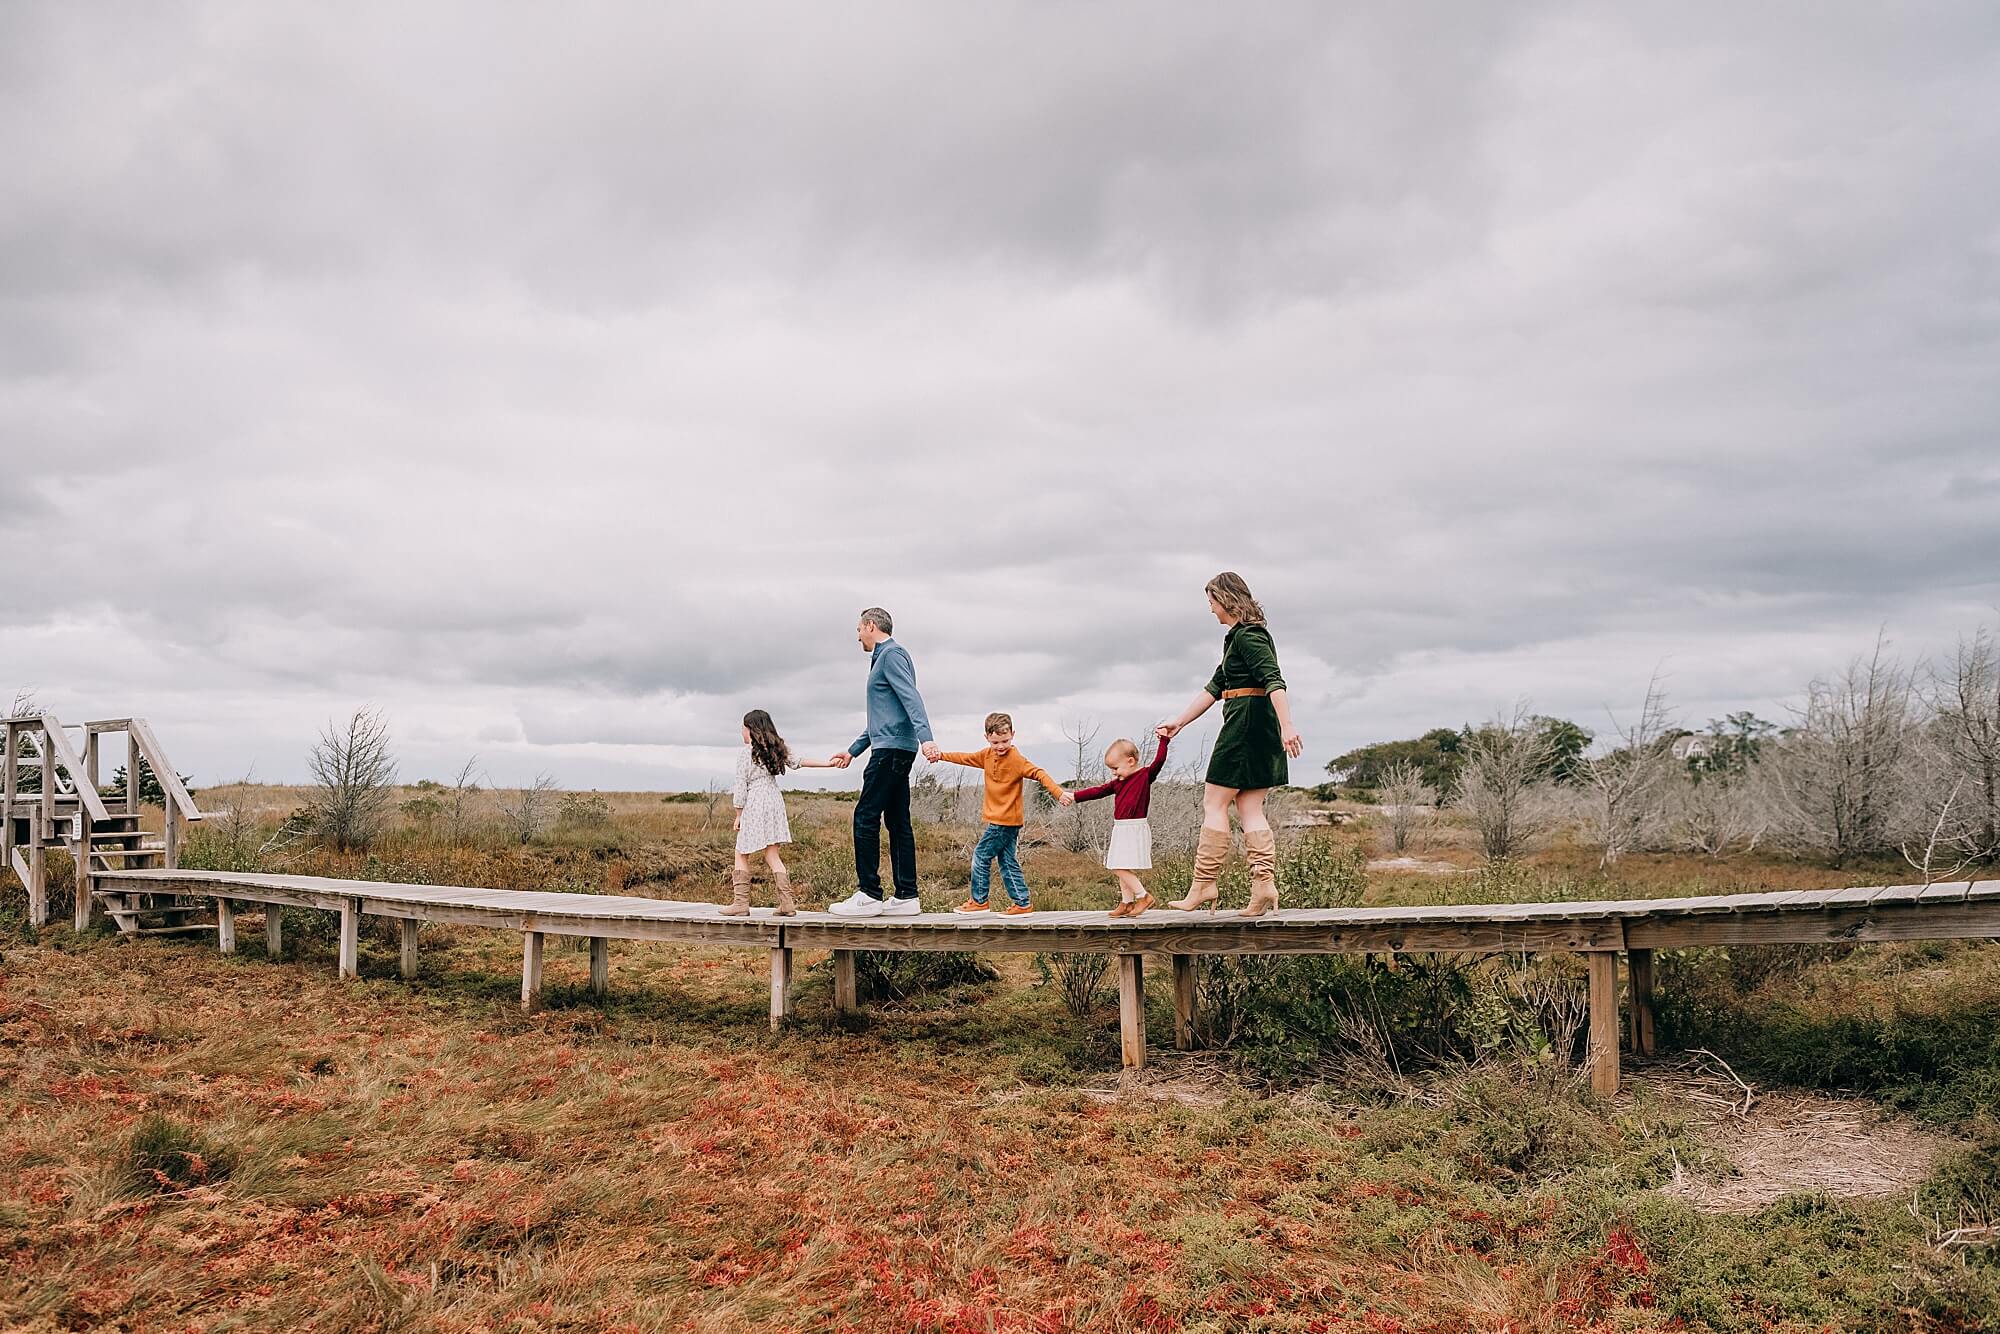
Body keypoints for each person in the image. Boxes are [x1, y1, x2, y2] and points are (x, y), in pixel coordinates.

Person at [1154, 572, 1304, 917]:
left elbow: (1274, 680)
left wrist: (1288, 725)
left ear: (1227, 600)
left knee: (1214, 800)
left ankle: (1205, 883)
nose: (1210, 610)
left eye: (1211, 602)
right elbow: (1215, 686)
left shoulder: (1249, 637)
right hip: (1256, 724)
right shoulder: (1238, 639)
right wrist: (1180, 721)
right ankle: (1264, 884)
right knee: (1249, 807)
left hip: (1247, 722)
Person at [826, 607, 940, 917]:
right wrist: (853, 750)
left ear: (870, 625)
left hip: (890, 752)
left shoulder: (891, 655)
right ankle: (906, 896)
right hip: (894, 748)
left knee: (865, 816)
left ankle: (869, 894)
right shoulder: (883, 659)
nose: (857, 636)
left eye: (859, 629)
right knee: (897, 821)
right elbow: (884, 717)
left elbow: (911, 697)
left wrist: (926, 737)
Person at [935, 712, 1072, 914]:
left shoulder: (1016, 760)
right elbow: (965, 758)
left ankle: (979, 901)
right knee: (1007, 861)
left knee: (980, 856)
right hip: (1000, 820)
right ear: (987, 738)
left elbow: (1039, 773)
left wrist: (1058, 793)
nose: (1000, 746)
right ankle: (1022, 903)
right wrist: (941, 755)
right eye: (995, 742)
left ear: (1013, 735)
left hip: (1005, 820)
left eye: (1005, 741)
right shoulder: (986, 755)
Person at [726, 709, 835, 917]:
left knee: (741, 851)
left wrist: (739, 813)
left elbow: (741, 785)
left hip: (756, 800)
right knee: (772, 854)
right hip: (774, 799)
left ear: (752, 729)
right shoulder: (776, 748)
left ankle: (740, 903)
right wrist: (828, 763)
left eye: (744, 727)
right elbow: (800, 762)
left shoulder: (746, 753)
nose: (742, 731)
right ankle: (787, 904)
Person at [1070, 733, 1170, 916]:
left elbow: (1160, 760)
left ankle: (1144, 896)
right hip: (1121, 828)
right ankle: (1127, 903)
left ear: (1131, 761)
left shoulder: (1144, 776)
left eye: (1115, 768)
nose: (1114, 773)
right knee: (1123, 865)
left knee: (1117, 866)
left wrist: (1164, 740)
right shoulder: (1118, 783)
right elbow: (1098, 791)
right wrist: (1075, 796)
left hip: (1133, 827)